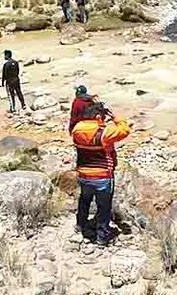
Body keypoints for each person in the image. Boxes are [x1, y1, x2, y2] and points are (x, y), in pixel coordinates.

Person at [71, 102, 131, 246]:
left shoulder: (76, 129)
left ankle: (80, 224)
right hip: (102, 175)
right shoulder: (104, 132)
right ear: (98, 116)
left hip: (84, 174)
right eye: (103, 117)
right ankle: (102, 236)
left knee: (84, 201)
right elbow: (125, 130)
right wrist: (116, 118)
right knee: (104, 206)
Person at [2, 49, 26, 114]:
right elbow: (18, 71)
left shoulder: (6, 64)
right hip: (16, 79)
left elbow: (4, 74)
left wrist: (3, 82)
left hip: (10, 81)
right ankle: (23, 105)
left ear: (7, 55)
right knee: (19, 92)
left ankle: (13, 108)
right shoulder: (16, 62)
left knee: (11, 94)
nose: (4, 56)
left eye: (4, 55)